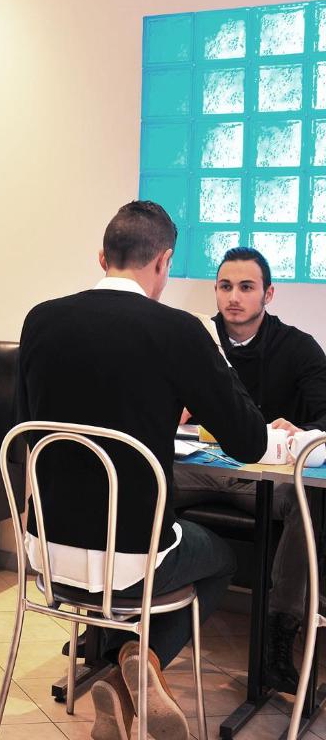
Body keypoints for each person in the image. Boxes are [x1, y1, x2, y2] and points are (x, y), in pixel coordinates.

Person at [16, 201, 267, 740]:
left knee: (143, 545)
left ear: (102, 257)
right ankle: (139, 659)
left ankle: (118, 671)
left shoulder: (40, 319)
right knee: (220, 559)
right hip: (132, 561)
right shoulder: (178, 330)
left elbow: (23, 427)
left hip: (43, 554)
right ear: (163, 261)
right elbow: (250, 441)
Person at [175, 246, 326, 694]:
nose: (234, 297)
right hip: (201, 470)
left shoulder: (297, 347)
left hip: (266, 477)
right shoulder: (194, 342)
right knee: (138, 476)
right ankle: (116, 620)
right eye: (225, 286)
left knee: (308, 500)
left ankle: (279, 637)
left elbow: (325, 416)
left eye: (246, 287)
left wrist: (302, 429)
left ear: (268, 294)